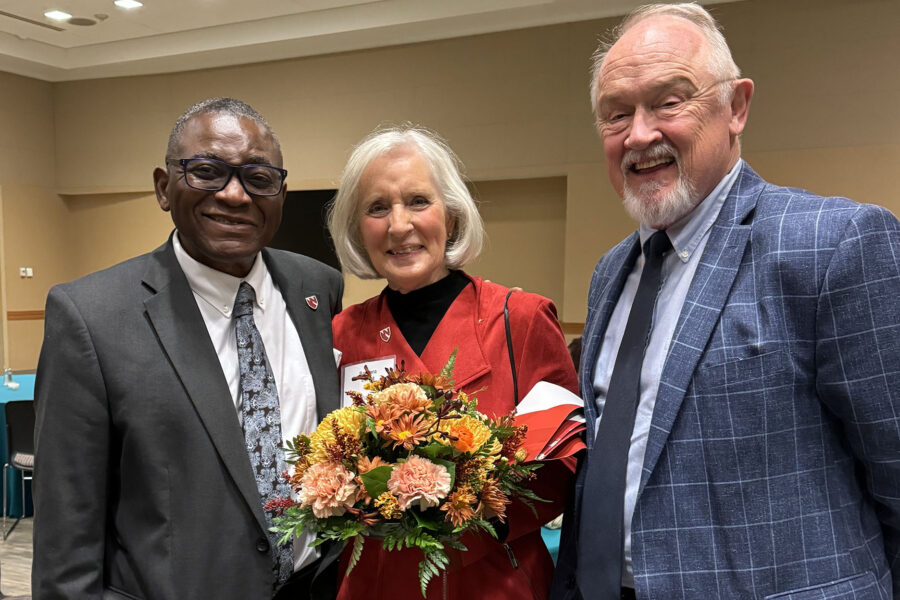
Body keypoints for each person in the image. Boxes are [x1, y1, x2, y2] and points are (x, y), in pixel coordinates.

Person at [551, 4, 900, 600]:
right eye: (617, 114)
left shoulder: (834, 244)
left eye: (668, 101)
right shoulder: (611, 273)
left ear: (736, 107)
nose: (640, 134)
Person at [32, 98, 343, 600]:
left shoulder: (317, 287)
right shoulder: (90, 315)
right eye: (207, 172)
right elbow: (66, 535)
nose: (236, 195)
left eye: (259, 178)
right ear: (163, 186)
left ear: (281, 194)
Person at [327, 125, 578, 599]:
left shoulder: (521, 320)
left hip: (493, 581)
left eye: (418, 201)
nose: (399, 225)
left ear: (452, 214)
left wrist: (456, 525)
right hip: (374, 584)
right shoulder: (341, 335)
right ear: (358, 228)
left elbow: (561, 468)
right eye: (377, 208)